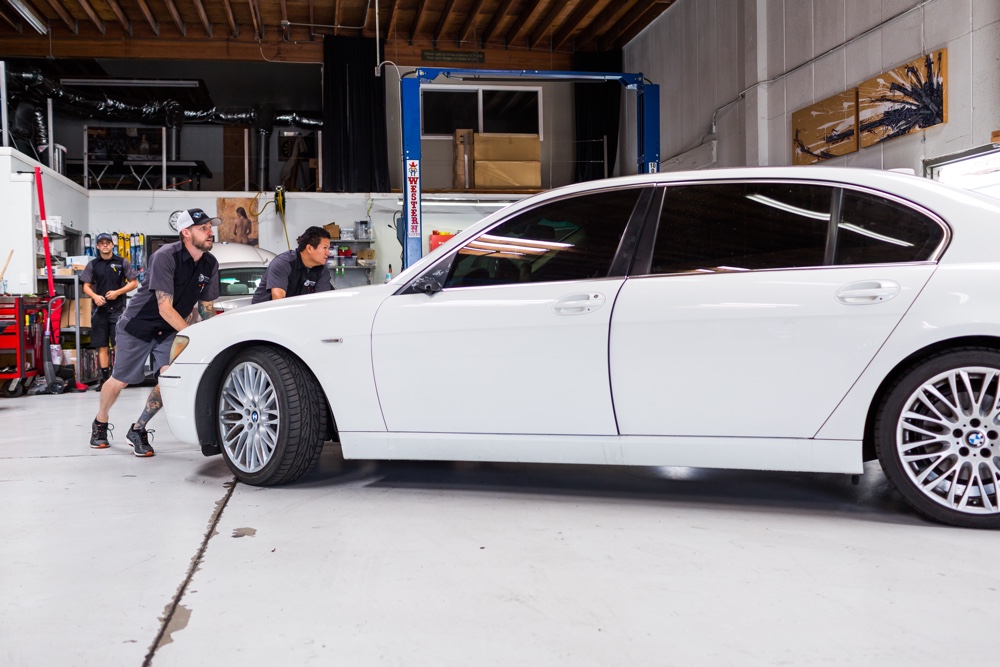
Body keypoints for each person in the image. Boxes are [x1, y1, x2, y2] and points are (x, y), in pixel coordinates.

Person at [89, 209, 221, 457]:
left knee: (169, 378)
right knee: (120, 380)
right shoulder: (165, 256)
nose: (210, 232)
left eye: (210, 227)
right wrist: (195, 336)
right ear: (186, 232)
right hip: (138, 325)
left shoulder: (210, 264)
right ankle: (100, 421)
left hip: (170, 329)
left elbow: (206, 308)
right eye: (203, 227)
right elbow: (164, 307)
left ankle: (138, 429)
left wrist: (215, 334)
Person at [80, 232, 139, 388]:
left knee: (119, 345)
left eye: (108, 242)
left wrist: (118, 292)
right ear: (98, 246)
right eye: (102, 243)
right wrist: (94, 296)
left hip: (118, 311)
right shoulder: (93, 264)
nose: (105, 245)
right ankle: (104, 381)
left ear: (113, 245)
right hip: (100, 311)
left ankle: (119, 379)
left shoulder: (122, 262)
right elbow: (86, 286)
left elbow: (134, 283)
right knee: (102, 346)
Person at [250, 226, 332, 304]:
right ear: (309, 248)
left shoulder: (322, 270)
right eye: (325, 248)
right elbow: (278, 300)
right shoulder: (283, 263)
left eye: (328, 248)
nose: (328, 253)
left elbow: (322, 300)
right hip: (263, 314)